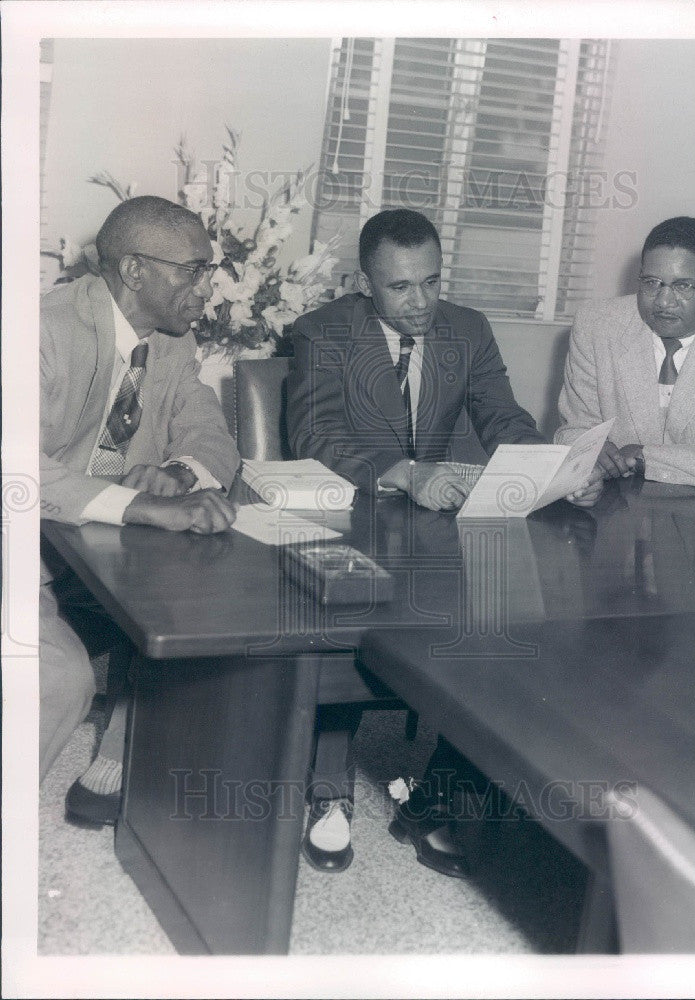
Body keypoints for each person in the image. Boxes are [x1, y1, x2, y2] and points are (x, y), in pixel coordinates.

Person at [287, 208, 601, 877]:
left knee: (504, 621)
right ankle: (326, 794)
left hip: (429, 534)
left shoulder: (468, 329)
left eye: (431, 281)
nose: (421, 301)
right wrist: (404, 472)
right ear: (364, 281)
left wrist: (553, 467)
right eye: (401, 287)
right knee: (342, 636)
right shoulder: (322, 332)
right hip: (349, 520)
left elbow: (502, 418)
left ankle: (436, 796)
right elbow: (312, 436)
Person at [40, 196, 240, 822]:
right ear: (133, 271)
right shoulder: (41, 329)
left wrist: (179, 474)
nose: (210, 287)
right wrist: (140, 507)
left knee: (194, 606)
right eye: (194, 270)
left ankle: (123, 749)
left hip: (97, 555)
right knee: (61, 681)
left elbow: (212, 436)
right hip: (24, 549)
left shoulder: (171, 343)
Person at [554, 216, 695, 494]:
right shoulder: (595, 326)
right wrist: (586, 455)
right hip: (616, 515)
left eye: (683, 286)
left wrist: (644, 457)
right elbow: (573, 431)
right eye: (651, 283)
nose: (663, 302)